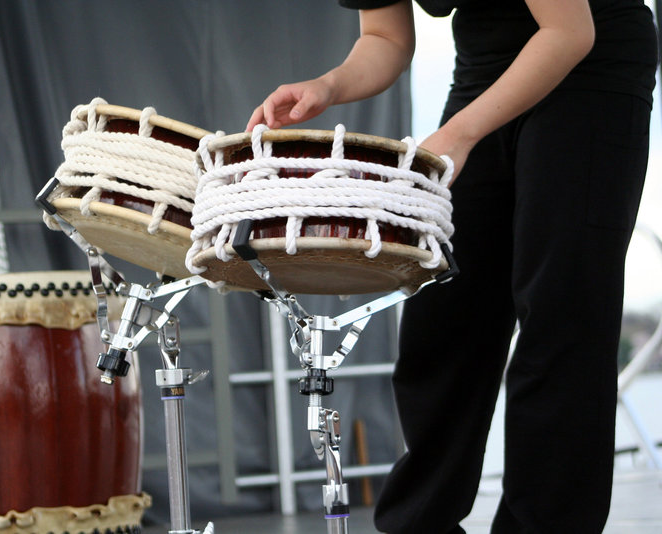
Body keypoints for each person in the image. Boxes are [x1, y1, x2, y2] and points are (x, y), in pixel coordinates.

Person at [246, 1, 657, 533]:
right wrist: (329, 84)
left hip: (592, 69)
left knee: (560, 316)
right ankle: (421, 524)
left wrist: (460, 135)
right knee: (444, 316)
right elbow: (385, 39)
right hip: (484, 73)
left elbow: (569, 33)